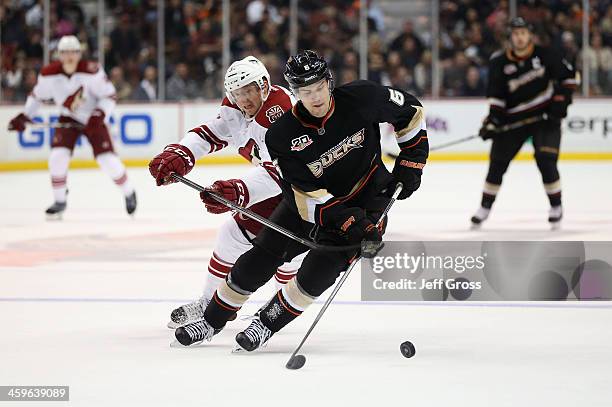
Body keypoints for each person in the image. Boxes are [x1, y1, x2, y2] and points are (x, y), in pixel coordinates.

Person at [173, 50, 429, 351]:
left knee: (314, 276)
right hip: (310, 207)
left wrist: (412, 161)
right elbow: (305, 194)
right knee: (258, 260)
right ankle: (212, 320)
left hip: (369, 199)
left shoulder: (362, 96)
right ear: (295, 92)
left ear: (329, 81)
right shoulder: (283, 135)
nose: (316, 97)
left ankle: (265, 324)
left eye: (319, 87)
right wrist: (348, 221)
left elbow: (410, 111)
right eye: (306, 91)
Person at [148, 56, 305, 330]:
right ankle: (211, 303)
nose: (243, 99)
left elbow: (280, 171)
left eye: (248, 91)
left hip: (305, 190)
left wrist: (239, 191)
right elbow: (213, 133)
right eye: (237, 92)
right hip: (278, 188)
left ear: (264, 87)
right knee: (232, 236)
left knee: (288, 256)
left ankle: (279, 308)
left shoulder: (280, 114)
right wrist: (182, 153)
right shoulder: (236, 108)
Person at [8, 35, 136, 218]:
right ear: (58, 54)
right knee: (57, 157)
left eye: (73, 52)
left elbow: (109, 96)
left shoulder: (92, 71)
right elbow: (37, 96)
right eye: (65, 52)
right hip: (68, 119)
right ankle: (60, 200)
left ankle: (129, 192)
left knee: (107, 159)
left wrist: (99, 114)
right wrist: (25, 116)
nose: (69, 56)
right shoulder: (48, 74)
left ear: (79, 53)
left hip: (93, 120)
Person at [471, 18, 579, 230]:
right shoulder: (499, 62)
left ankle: (556, 207)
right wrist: (493, 120)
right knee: (497, 164)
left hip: (546, 119)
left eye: (523, 33)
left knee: (546, 160)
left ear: (530, 35)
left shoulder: (547, 54)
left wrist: (560, 103)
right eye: (516, 33)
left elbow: (569, 78)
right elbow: (497, 97)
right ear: (510, 37)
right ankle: (484, 207)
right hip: (513, 120)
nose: (520, 37)